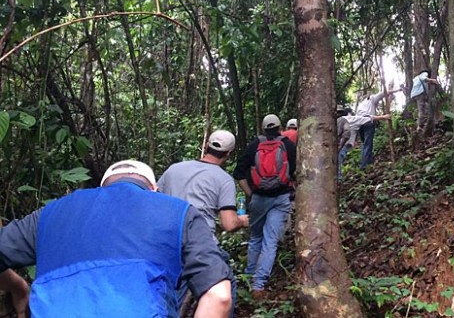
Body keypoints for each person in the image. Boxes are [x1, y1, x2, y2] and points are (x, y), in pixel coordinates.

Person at [0, 160, 232, 318]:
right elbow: (219, 296)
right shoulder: (178, 211)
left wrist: (17, 286)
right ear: (154, 189)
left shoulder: (50, 214)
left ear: (102, 186)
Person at [158, 130, 248, 316]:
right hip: (200, 246)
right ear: (229, 154)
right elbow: (229, 224)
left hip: (166, 243)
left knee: (170, 298)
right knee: (224, 286)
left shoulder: (174, 169)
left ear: (206, 145)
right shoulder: (223, 179)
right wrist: (242, 221)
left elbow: (154, 202)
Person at [233, 114, 296, 301]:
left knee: (255, 238)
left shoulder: (254, 146)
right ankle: (258, 285)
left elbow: (238, 172)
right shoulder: (289, 145)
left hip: (259, 198)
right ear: (279, 127)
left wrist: (251, 192)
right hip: (281, 198)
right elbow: (294, 171)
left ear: (263, 128)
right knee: (270, 242)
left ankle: (249, 275)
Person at [337, 107, 391, 179]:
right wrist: (384, 117)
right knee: (338, 161)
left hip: (336, 144)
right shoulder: (350, 119)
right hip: (342, 145)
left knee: (336, 162)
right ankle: (338, 180)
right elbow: (368, 118)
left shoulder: (335, 121)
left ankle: (337, 180)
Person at [355, 86, 402, 169]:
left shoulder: (362, 105)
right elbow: (384, 92)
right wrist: (398, 89)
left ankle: (367, 161)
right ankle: (364, 166)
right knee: (368, 144)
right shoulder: (372, 98)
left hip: (359, 124)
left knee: (365, 144)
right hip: (368, 123)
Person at [409, 69, 439, 136]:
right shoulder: (424, 74)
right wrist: (432, 80)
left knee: (425, 109)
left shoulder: (416, 78)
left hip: (416, 95)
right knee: (422, 110)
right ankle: (419, 126)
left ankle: (424, 124)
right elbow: (423, 78)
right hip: (419, 94)